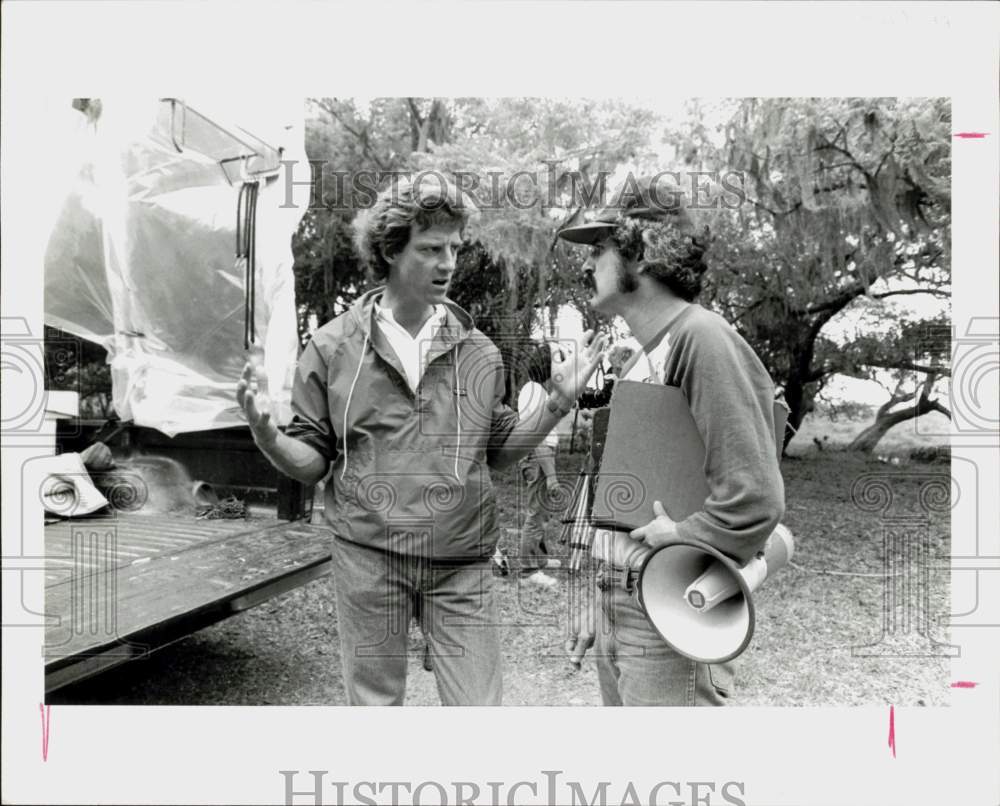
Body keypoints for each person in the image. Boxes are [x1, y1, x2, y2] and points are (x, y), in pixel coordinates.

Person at [236, 177, 605, 706]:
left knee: (477, 709)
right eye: (431, 249)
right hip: (368, 556)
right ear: (390, 251)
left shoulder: (478, 350)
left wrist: (555, 403)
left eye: (455, 248)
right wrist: (267, 435)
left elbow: (499, 448)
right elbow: (311, 462)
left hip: (461, 560)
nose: (449, 262)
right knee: (376, 707)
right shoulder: (332, 346)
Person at [558, 176, 785, 706]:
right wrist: (599, 594)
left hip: (670, 607)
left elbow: (755, 497)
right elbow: (617, 501)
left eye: (600, 249)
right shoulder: (642, 356)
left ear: (637, 254)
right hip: (624, 605)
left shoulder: (701, 339)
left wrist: (683, 535)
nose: (587, 264)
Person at [516, 342, 563, 588]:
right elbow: (537, 437)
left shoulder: (537, 390)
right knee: (536, 514)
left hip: (540, 455)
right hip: (537, 456)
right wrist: (552, 476)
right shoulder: (534, 391)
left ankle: (540, 560)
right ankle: (528, 570)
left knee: (542, 512)